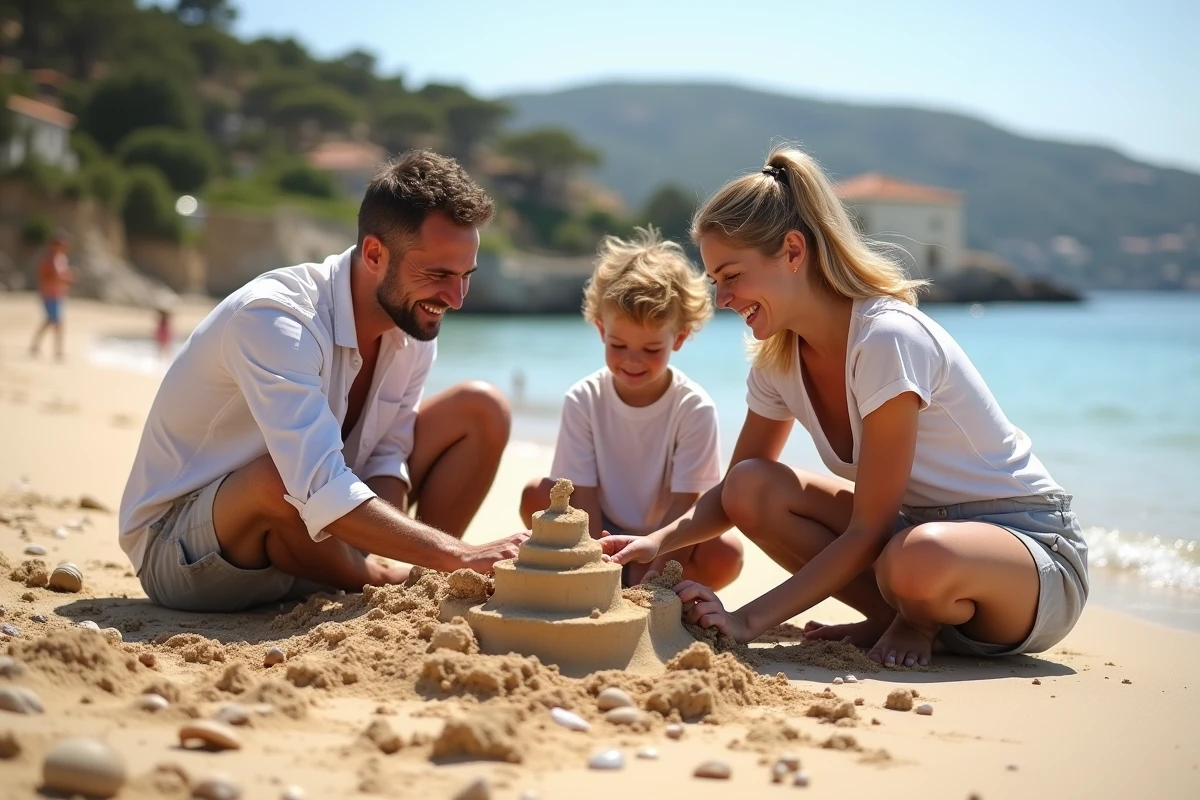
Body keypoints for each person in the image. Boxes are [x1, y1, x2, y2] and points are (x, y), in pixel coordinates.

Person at [602, 147, 1088, 667]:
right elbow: (733, 493)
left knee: (917, 556)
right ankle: (899, 617)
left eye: (731, 275)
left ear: (792, 251)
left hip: (1029, 559)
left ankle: (917, 619)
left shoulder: (885, 338)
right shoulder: (778, 359)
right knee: (752, 484)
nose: (722, 298)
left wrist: (745, 621)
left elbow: (870, 527)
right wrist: (654, 542)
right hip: (913, 549)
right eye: (716, 281)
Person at [119, 150, 527, 613]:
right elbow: (311, 485)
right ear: (375, 253)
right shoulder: (276, 318)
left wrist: (393, 544)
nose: (454, 299)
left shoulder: (413, 326)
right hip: (184, 552)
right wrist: (460, 555)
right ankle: (383, 579)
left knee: (482, 409)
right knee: (279, 477)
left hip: (313, 539)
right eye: (438, 274)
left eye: (464, 276)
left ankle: (417, 580)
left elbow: (389, 452)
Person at [521, 227, 743, 590]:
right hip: (601, 525)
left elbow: (685, 505)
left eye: (652, 349)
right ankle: (599, 578)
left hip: (665, 532)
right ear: (600, 330)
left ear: (680, 337)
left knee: (726, 553)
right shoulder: (583, 399)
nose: (633, 361)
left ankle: (661, 590)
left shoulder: (694, 408)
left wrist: (645, 586)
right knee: (537, 493)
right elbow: (584, 497)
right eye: (619, 345)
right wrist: (597, 574)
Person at [29, 232, 74, 361]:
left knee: (50, 321)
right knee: (56, 321)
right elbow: (46, 276)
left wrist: (67, 278)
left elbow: (62, 275)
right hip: (48, 294)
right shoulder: (47, 259)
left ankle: (37, 346)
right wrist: (64, 277)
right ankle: (58, 351)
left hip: (58, 294)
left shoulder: (62, 258)